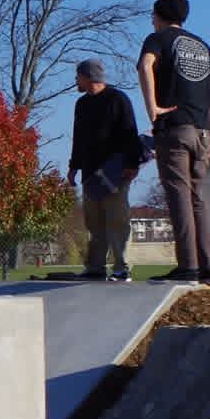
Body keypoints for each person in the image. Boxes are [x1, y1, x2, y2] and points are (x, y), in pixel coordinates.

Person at [136, 0, 210, 284]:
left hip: (175, 127)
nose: (151, 20)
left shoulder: (158, 39)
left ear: (159, 16)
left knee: (179, 195)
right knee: (199, 197)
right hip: (202, 130)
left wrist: (153, 110)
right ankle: (209, 265)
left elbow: (145, 66)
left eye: (152, 15)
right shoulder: (200, 45)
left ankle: (188, 265)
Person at [66, 59, 141, 280]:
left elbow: (130, 132)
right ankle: (95, 268)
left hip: (115, 172)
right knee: (94, 223)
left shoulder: (117, 99)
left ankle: (121, 268)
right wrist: (73, 167)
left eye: (78, 76)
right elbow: (78, 138)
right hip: (90, 173)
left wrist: (131, 164)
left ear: (88, 76)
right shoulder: (82, 104)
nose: (76, 81)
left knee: (117, 220)